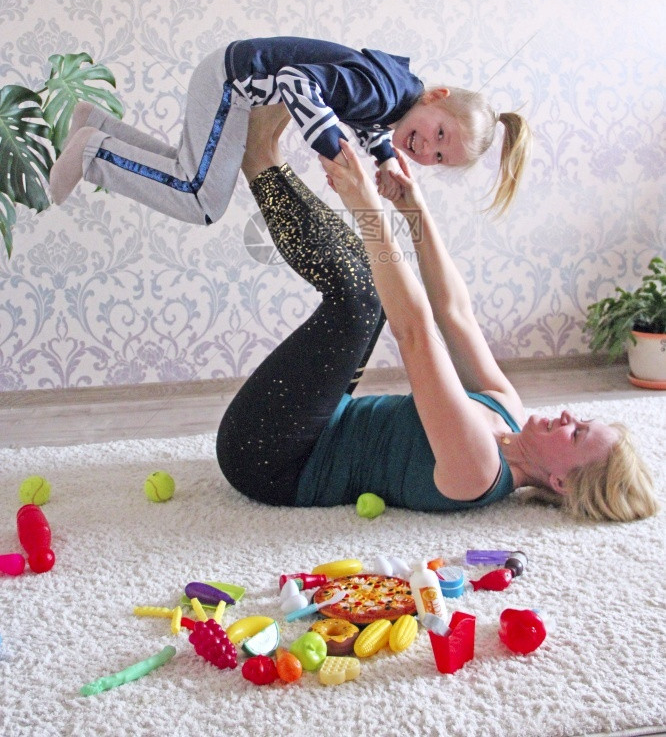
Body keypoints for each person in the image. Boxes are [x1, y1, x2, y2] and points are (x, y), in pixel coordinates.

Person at [216, 107, 657, 523]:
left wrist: (367, 210)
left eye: (576, 434)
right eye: (583, 421)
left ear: (561, 483)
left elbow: (416, 333)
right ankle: (262, 157)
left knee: (362, 300)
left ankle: (259, 156)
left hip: (272, 459)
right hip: (322, 417)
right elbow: (454, 313)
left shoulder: (478, 470)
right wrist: (413, 209)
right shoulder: (507, 412)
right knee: (370, 296)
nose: (569, 418)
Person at [49, 36, 531, 219]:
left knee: (187, 173)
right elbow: (300, 83)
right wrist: (332, 143)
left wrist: (383, 156)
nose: (428, 149)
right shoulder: (384, 94)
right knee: (201, 201)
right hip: (231, 82)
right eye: (440, 134)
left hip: (228, 74)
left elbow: (362, 112)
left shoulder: (396, 94)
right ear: (437, 97)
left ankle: (94, 124)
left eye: (440, 157)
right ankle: (93, 152)